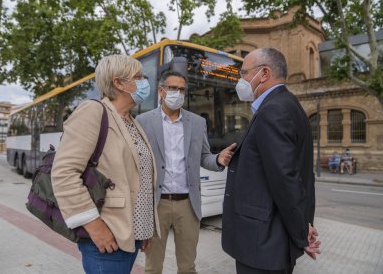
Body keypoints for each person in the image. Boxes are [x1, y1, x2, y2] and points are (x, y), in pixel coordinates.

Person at [51, 55, 160, 274]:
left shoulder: (130, 121)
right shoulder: (93, 111)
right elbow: (64, 173)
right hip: (107, 235)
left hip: (132, 234)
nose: (144, 82)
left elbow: (140, 178)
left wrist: (145, 227)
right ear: (118, 83)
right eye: (138, 77)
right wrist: (94, 226)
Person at [222, 48, 321, 274]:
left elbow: (286, 179)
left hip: (262, 244)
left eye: (244, 73)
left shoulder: (273, 111)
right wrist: (304, 225)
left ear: (264, 73)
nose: (241, 80)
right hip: (270, 242)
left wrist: (300, 235)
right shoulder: (287, 105)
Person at [136, 71, 236, 274]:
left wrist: (218, 159)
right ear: (161, 91)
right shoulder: (143, 121)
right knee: (152, 267)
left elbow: (204, 157)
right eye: (173, 88)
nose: (178, 93)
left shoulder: (197, 122)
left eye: (182, 89)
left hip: (188, 205)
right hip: (156, 205)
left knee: (188, 267)